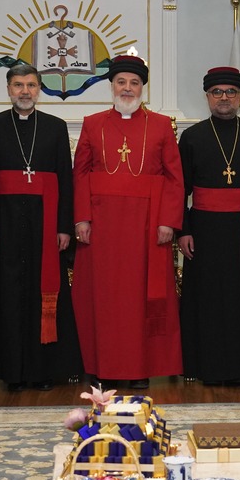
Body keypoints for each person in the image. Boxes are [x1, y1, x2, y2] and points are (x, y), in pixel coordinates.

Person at [73, 54, 183, 384]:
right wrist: (81, 218)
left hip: (147, 227)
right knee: (105, 300)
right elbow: (79, 175)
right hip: (103, 229)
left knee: (139, 300)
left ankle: (140, 369)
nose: (127, 88)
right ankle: (103, 367)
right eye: (121, 82)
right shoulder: (93, 123)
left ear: (142, 88)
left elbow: (175, 178)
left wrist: (168, 221)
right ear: (112, 85)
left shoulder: (162, 125)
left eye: (134, 83)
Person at [0, 62, 82, 390]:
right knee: (7, 294)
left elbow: (66, 178)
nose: (25, 91)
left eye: (31, 85)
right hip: (4, 224)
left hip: (45, 224)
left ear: (39, 89)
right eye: (18, 85)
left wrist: (65, 227)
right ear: (8, 89)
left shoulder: (54, 126)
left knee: (42, 294)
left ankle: (42, 371)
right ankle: (12, 373)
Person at [178, 66, 240, 386]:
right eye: (217, 92)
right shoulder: (191, 136)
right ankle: (203, 364)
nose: (224, 98)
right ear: (207, 96)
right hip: (204, 230)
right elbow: (180, 189)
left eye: (231, 92)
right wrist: (184, 230)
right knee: (207, 298)